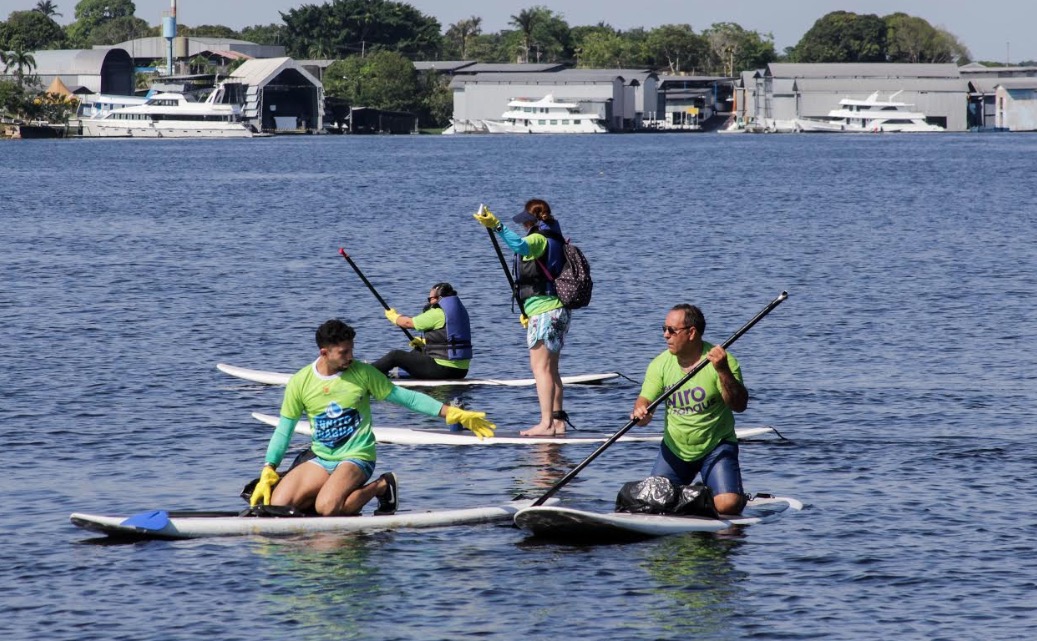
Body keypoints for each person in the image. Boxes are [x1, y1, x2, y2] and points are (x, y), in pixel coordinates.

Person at [249, 319, 495, 515]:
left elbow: (405, 397)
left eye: (351, 350)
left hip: (357, 457)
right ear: (324, 353)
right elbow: (285, 429)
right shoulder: (300, 382)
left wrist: (450, 412)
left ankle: (382, 486)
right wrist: (268, 467)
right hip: (322, 458)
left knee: (328, 508)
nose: (350, 357)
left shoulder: (363, 374)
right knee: (278, 506)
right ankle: (323, 492)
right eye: (344, 352)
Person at [629, 304, 749, 515]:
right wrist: (640, 412)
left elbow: (739, 406)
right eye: (663, 329)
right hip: (675, 450)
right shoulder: (660, 364)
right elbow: (644, 403)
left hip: (716, 446)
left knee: (728, 505)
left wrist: (722, 371)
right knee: (649, 503)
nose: (666, 335)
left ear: (691, 333)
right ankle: (695, 496)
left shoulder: (724, 361)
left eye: (672, 330)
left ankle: (715, 494)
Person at [475, 199, 572, 437]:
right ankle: (558, 422)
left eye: (526, 221)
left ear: (533, 220)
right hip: (556, 310)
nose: (523, 225)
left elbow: (519, 246)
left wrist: (496, 226)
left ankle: (546, 424)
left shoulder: (538, 238)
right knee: (551, 369)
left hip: (544, 311)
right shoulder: (554, 236)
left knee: (540, 369)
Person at [373, 282, 472, 380]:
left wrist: (393, 316)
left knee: (395, 356)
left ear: (437, 298)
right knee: (417, 352)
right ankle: (391, 371)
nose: (429, 302)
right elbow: (450, 338)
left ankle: (365, 373)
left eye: (430, 299)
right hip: (461, 370)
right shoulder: (460, 312)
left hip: (444, 370)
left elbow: (407, 323)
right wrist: (425, 343)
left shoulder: (437, 313)